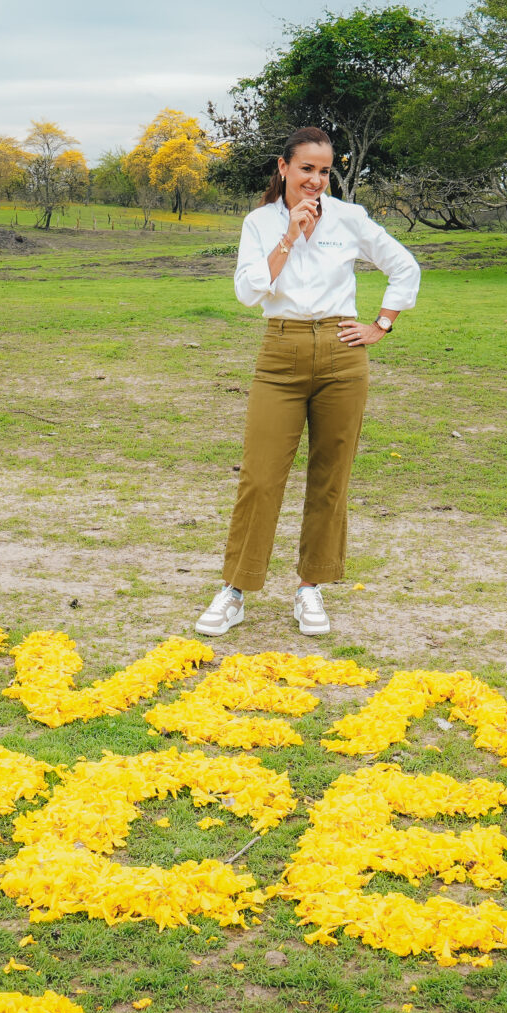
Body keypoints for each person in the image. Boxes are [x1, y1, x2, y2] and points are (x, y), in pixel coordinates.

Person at [196, 126, 419, 639]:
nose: (316, 180)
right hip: (281, 352)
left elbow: (404, 267)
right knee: (260, 476)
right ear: (283, 167)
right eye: (306, 169)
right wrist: (290, 236)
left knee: (330, 475)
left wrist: (380, 324)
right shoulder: (259, 223)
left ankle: (309, 586)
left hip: (343, 356)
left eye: (325, 171)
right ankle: (234, 590)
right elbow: (249, 293)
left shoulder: (350, 218)